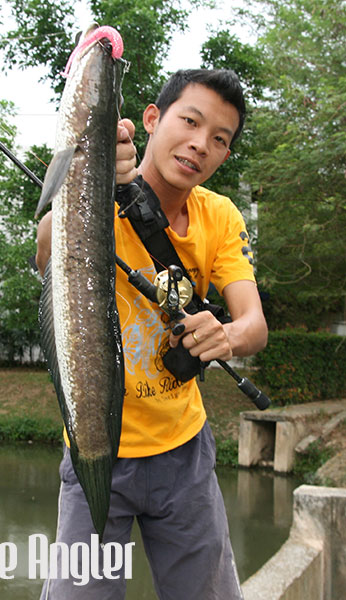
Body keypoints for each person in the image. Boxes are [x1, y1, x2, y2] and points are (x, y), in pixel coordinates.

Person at [36, 69, 268, 600]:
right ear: (151, 119)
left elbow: (253, 324)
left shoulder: (220, 217)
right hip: (96, 451)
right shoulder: (100, 195)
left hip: (185, 456)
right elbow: (47, 251)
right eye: (190, 121)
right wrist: (87, 174)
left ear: (224, 156)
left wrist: (227, 337)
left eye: (219, 139)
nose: (199, 145)